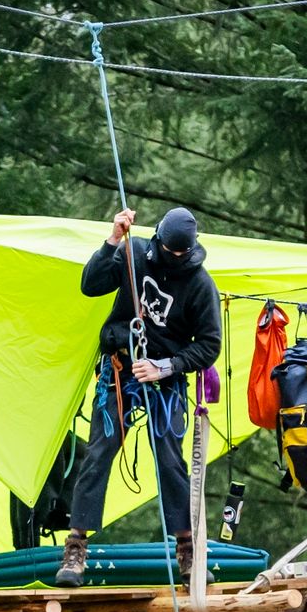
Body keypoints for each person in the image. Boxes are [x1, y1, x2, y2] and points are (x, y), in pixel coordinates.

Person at [56, 206, 223, 587]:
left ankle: (187, 551)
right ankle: (76, 549)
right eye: (170, 251)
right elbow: (91, 283)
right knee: (100, 449)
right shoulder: (134, 253)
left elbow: (209, 345)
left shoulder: (200, 285)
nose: (175, 259)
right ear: (160, 240)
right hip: (120, 368)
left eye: (182, 254)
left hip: (164, 381)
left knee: (169, 459)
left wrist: (166, 366)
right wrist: (113, 238)